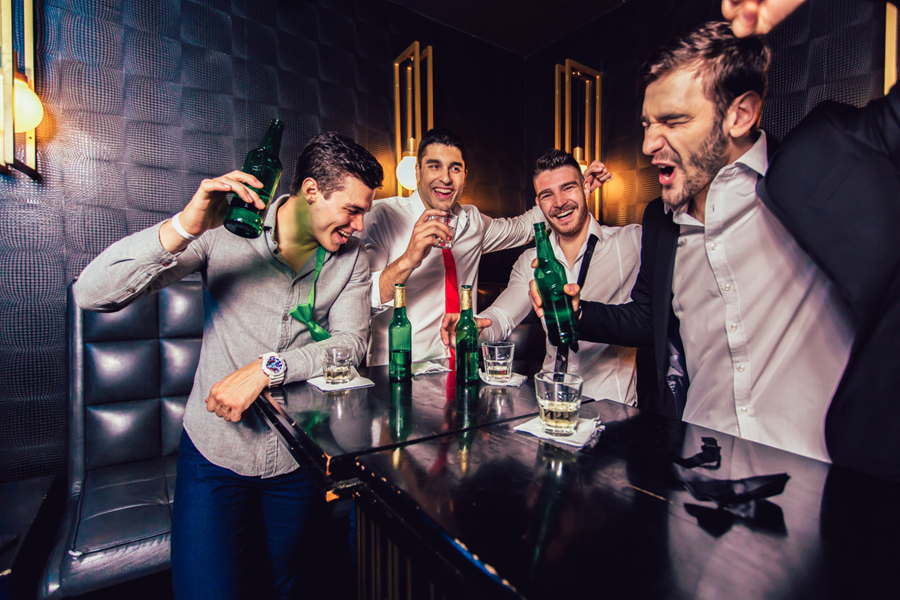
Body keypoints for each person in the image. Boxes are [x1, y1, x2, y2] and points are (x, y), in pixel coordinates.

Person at [73, 131, 384, 599]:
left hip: (295, 461)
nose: (359, 226)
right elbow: (92, 294)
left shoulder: (353, 258)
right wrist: (185, 225)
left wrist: (269, 367)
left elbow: (351, 344)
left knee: (285, 586)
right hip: (214, 454)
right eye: (353, 209)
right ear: (311, 192)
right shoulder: (224, 231)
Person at [532, 21, 859, 467]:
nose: (648, 143)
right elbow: (648, 320)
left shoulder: (814, 175)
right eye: (648, 123)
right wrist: (579, 313)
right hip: (703, 471)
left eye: (673, 120)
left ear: (740, 115)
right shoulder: (659, 221)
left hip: (818, 477)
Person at [440, 149, 640, 404]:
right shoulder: (530, 261)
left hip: (611, 409)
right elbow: (501, 318)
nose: (559, 202)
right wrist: (473, 329)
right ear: (539, 203)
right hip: (549, 404)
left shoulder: (631, 243)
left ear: (585, 187)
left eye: (568, 188)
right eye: (548, 195)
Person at [361, 128, 545, 366]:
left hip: (461, 369)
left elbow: (523, 227)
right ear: (418, 172)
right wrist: (408, 259)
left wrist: (575, 191)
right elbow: (362, 300)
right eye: (434, 166)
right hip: (397, 372)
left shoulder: (473, 221)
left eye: (454, 168)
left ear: (465, 176)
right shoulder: (381, 216)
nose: (446, 178)